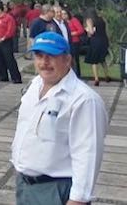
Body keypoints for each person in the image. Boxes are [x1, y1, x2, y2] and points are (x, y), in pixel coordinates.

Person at [11, 32, 107, 204]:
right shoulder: (34, 85)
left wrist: (78, 200)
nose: (44, 62)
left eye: (51, 56)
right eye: (39, 56)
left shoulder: (83, 100)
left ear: (67, 59)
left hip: (56, 190)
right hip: (26, 186)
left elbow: (88, 155)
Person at [0, 2, 22, 84]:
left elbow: (11, 29)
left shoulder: (8, 18)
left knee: (9, 59)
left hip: (6, 41)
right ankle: (2, 76)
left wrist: (4, 37)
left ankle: (16, 77)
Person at [83, 12, 110, 86]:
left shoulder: (90, 20)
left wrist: (88, 32)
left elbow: (91, 32)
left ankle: (96, 78)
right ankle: (106, 75)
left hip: (95, 41)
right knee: (102, 59)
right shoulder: (102, 19)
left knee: (94, 61)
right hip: (104, 40)